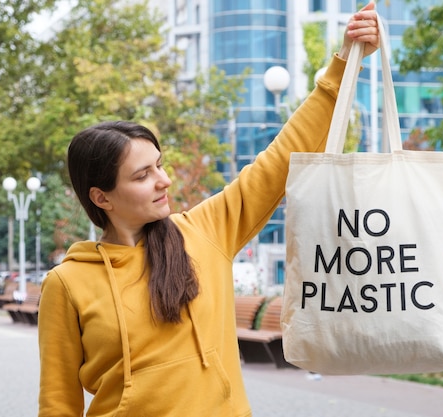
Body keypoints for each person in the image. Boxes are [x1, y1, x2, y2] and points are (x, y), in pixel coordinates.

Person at [37, 3, 379, 416]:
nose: (164, 181)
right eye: (142, 175)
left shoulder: (204, 232)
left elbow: (280, 158)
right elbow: (58, 402)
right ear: (101, 197)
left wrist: (343, 67)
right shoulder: (67, 283)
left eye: (159, 166)